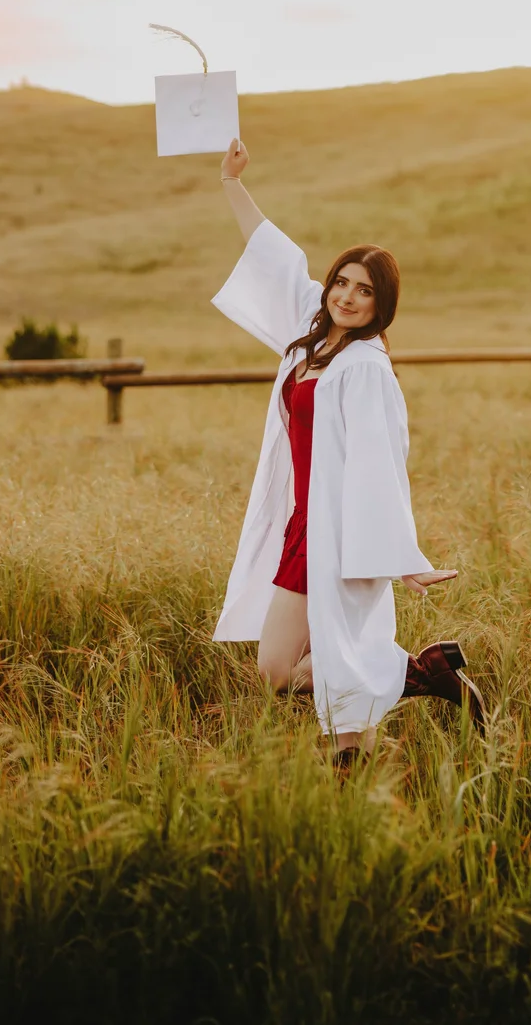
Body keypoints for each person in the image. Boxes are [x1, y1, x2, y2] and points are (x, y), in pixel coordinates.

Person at [211, 138, 486, 761]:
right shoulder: (311, 330)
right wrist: (232, 185)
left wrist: (400, 554)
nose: (347, 297)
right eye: (342, 282)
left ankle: (369, 737)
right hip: (301, 525)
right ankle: (417, 673)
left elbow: (380, 463)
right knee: (282, 670)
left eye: (364, 291)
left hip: (336, 532)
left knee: (296, 666)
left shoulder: (366, 368)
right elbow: (275, 257)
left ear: (380, 303)